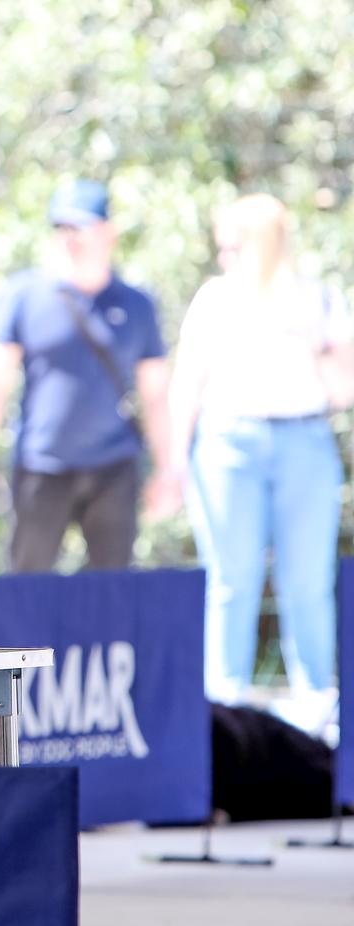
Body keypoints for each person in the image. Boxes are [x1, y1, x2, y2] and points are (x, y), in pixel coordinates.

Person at [169, 194, 351, 734]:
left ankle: (318, 713)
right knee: (230, 580)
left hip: (305, 443)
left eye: (234, 246)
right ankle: (222, 712)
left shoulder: (316, 299)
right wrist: (175, 464)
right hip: (229, 446)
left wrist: (313, 342)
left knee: (308, 583)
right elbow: (188, 387)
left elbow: (342, 389)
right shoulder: (214, 299)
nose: (225, 257)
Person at [0, 177, 180, 572]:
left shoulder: (137, 304)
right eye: (61, 227)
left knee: (113, 595)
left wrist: (168, 470)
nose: (70, 238)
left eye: (81, 227)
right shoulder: (22, 296)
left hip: (115, 469)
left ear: (108, 232)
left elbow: (156, 395)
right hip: (41, 469)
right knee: (26, 596)